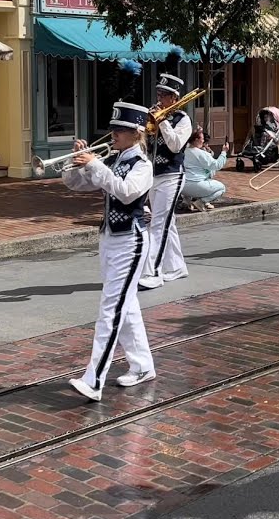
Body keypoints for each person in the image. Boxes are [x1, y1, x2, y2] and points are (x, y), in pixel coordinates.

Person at [61, 66, 157, 402]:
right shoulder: (113, 161)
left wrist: (97, 166)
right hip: (109, 240)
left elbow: (126, 193)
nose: (112, 134)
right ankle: (143, 365)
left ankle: (94, 379)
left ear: (135, 134)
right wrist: (75, 163)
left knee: (110, 310)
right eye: (113, 129)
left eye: (119, 130)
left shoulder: (141, 166)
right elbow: (78, 185)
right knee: (125, 307)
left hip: (131, 242)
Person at [139, 48, 192, 290]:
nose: (159, 98)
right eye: (158, 93)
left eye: (164, 95)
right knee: (166, 223)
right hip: (154, 175)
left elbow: (175, 145)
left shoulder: (183, 119)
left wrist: (162, 123)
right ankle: (177, 266)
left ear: (174, 98)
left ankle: (154, 272)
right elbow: (148, 146)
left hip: (172, 175)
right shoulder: (156, 116)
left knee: (157, 224)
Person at [181, 129, 228, 211]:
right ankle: (202, 202)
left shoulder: (183, 151)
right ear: (196, 140)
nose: (203, 141)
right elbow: (217, 165)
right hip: (197, 185)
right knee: (222, 188)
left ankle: (186, 202)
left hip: (182, 187)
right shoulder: (201, 153)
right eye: (202, 139)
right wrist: (224, 152)